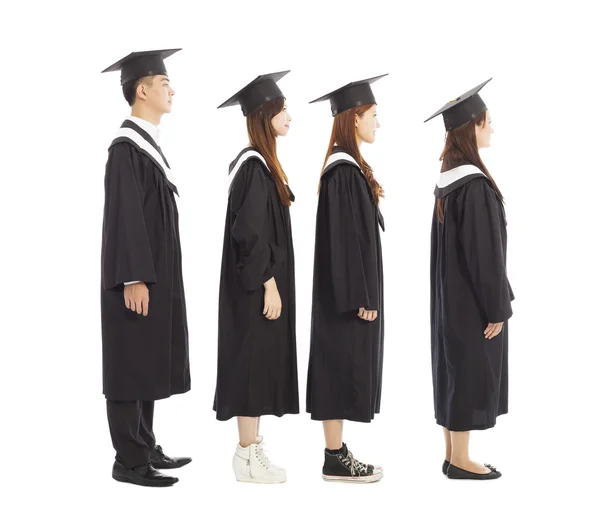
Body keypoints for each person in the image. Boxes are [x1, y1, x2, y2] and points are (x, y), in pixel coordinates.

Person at [100, 49, 191, 487]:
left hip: (155, 278)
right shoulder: (125, 148)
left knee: (148, 358)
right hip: (134, 280)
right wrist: (134, 275)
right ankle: (129, 460)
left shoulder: (148, 145)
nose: (172, 89)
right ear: (142, 89)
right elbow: (126, 215)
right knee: (129, 362)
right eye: (163, 83)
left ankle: (146, 444)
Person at [425, 78, 514, 480]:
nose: (493, 127)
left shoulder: (448, 183)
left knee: (453, 370)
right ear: (473, 127)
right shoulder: (473, 185)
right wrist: (497, 306)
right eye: (488, 121)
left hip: (451, 300)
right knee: (466, 371)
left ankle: (451, 453)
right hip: (473, 304)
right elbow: (486, 256)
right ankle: (460, 460)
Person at [214, 71, 298, 484]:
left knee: (259, 364)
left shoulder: (264, 165)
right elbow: (249, 231)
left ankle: (252, 449)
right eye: (280, 110)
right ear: (263, 115)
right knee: (249, 365)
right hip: (254, 288)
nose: (288, 115)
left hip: (260, 284)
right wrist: (269, 282)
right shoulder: (251, 166)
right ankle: (246, 455)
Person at [306, 75, 387, 483]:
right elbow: (344, 241)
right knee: (337, 368)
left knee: (341, 367)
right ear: (354, 118)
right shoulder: (342, 172)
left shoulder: (348, 167)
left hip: (347, 294)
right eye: (373, 115)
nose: (378, 123)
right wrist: (362, 295)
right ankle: (334, 457)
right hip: (346, 297)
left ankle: (337, 453)